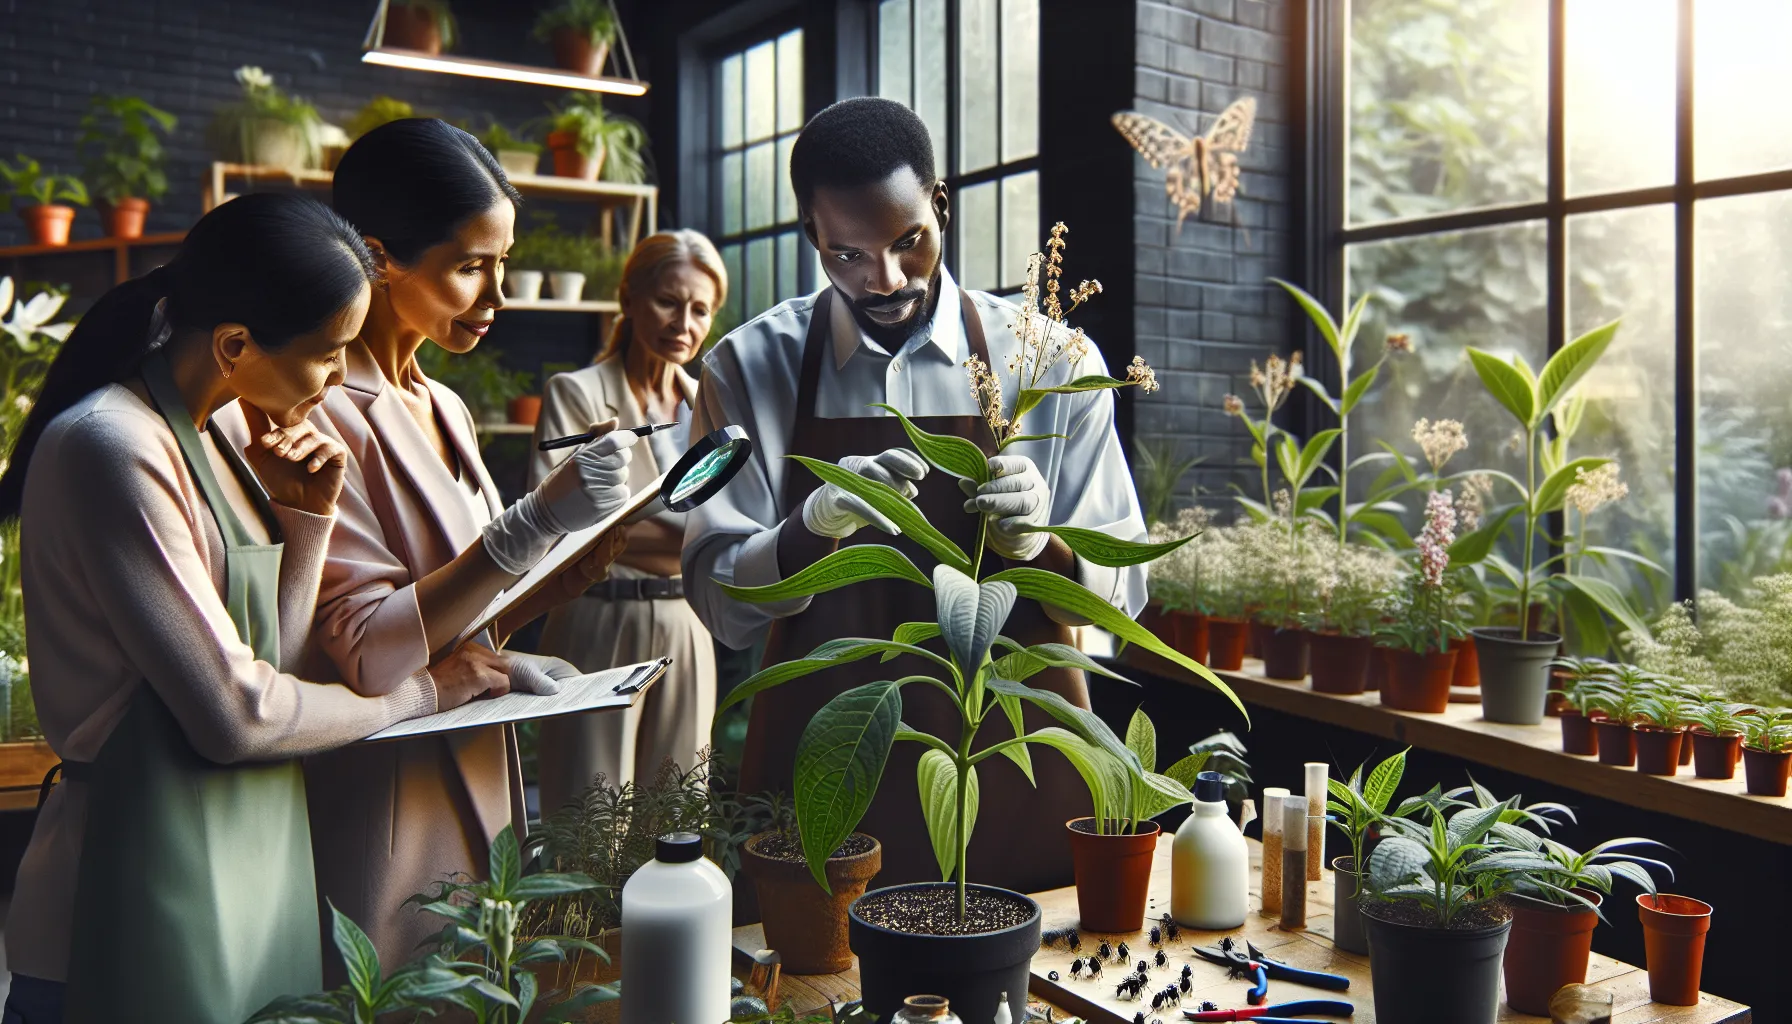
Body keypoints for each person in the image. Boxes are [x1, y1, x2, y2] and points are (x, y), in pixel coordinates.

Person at [0, 194, 477, 1024]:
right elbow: (235, 716)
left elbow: (273, 661)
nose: (337, 383)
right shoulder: (115, 445)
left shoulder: (218, 435)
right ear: (233, 346)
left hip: (251, 864)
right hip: (128, 881)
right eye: (330, 355)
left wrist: (308, 518)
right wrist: (418, 696)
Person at [683, 97, 1148, 896]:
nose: (886, 279)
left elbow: (1127, 592)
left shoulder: (1049, 358)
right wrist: (806, 530)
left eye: (909, 243)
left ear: (940, 204)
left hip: (1024, 768)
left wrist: (1045, 545)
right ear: (811, 237)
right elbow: (720, 601)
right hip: (827, 784)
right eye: (849, 256)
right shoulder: (747, 368)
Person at [248, 119, 639, 974]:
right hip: (388, 795)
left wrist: (563, 564)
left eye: (503, 264)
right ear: (381, 258)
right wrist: (533, 521)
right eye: (470, 267)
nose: (499, 297)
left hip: (477, 763)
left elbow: (469, 611)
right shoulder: (312, 414)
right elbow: (367, 652)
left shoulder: (445, 404)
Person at [527, 230, 725, 811]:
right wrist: (696, 540)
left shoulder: (710, 409)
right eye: (669, 301)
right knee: (589, 820)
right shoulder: (577, 394)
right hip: (597, 623)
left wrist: (624, 531)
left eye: (700, 309)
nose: (682, 322)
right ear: (630, 296)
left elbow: (734, 525)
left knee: (678, 814)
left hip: (688, 626)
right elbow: (563, 528)